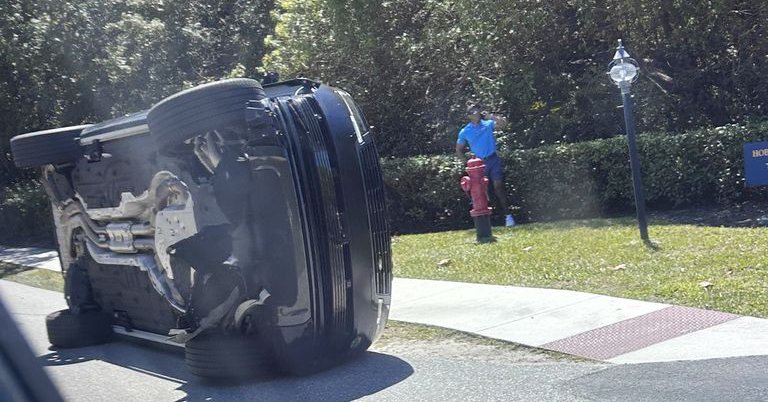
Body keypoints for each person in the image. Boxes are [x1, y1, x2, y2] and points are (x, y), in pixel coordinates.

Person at [455, 104, 515, 227]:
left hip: (493, 159)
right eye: (472, 112)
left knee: (498, 186)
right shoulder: (465, 131)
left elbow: (504, 124)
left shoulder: (488, 124)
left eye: (476, 110)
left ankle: (508, 216)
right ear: (468, 116)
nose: (475, 113)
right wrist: (467, 163)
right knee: (482, 192)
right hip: (479, 165)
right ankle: (488, 220)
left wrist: (491, 116)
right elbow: (459, 149)